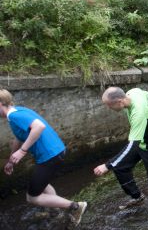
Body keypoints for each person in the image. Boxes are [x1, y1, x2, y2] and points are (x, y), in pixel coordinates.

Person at [0, 89, 87, 226]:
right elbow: (19, 137)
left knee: (32, 197)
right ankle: (54, 210)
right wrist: (11, 159)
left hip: (50, 156)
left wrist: (22, 151)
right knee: (43, 184)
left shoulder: (15, 116)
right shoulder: (16, 112)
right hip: (53, 153)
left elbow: (39, 127)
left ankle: (76, 207)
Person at [93, 87, 148, 213]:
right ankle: (138, 197)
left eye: (109, 106)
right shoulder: (132, 93)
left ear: (119, 102)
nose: (109, 109)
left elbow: (132, 145)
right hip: (141, 141)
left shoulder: (138, 113)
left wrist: (107, 165)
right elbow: (146, 94)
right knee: (120, 167)